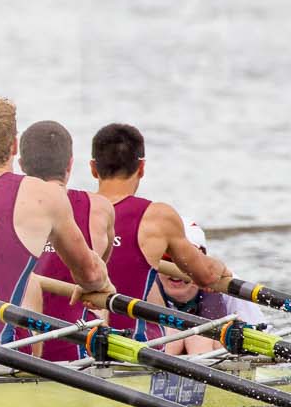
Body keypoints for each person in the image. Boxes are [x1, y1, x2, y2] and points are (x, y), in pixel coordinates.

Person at [0, 95, 111, 356]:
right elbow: (90, 274)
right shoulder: (41, 195)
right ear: (14, 146)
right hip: (4, 355)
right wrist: (102, 285)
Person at [89, 122, 230, 347]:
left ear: (93, 168)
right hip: (139, 346)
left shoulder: (71, 209)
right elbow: (205, 277)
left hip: (82, 342)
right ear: (142, 168)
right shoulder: (157, 217)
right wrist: (219, 267)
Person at [18, 119, 114, 365]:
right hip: (78, 353)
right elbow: (98, 279)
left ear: (21, 166)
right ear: (70, 163)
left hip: (18, 351)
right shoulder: (100, 208)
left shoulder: (8, 207)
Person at [148, 220, 254, 353]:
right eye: (168, 259)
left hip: (212, 350)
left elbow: (259, 337)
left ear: (204, 261)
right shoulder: (146, 281)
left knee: (198, 338)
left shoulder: (230, 284)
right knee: (173, 336)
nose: (176, 271)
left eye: (186, 261)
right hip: (164, 348)